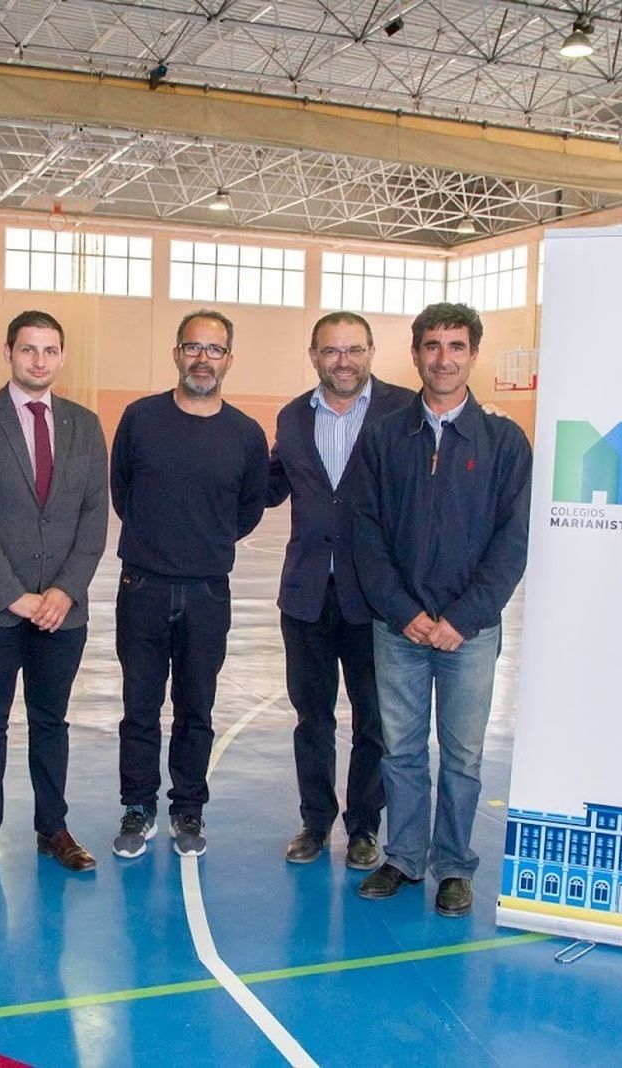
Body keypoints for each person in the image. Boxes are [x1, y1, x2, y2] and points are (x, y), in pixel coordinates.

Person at [352, 302, 531, 917]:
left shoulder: (504, 441)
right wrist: (402, 611)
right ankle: (402, 858)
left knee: (462, 756)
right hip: (398, 627)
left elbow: (513, 542)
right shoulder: (383, 438)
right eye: (432, 346)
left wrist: (464, 618)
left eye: (456, 346)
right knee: (400, 751)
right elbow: (365, 533)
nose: (443, 358)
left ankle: (453, 866)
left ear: (474, 354)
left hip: (470, 634)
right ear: (416, 353)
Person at [0, 310, 109, 877]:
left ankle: (53, 828)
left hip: (62, 610)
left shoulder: (86, 425)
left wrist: (64, 591)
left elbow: (93, 518)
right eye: (28, 349)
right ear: (8, 353)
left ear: (62, 357)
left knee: (51, 720)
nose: (39, 360)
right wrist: (15, 595)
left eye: (50, 350)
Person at [110, 309, 268, 858]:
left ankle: (188, 810)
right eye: (193, 347)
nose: (203, 359)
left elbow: (249, 509)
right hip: (143, 586)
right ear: (177, 354)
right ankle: (137, 807)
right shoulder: (140, 418)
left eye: (215, 349)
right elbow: (121, 490)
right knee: (139, 706)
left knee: (196, 707)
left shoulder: (246, 434)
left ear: (229, 359)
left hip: (207, 592)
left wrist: (207, 540)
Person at [268, 312, 412, 869]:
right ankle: (314, 821)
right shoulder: (292, 415)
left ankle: (364, 828)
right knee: (312, 717)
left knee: (374, 720)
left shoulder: (404, 409)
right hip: (306, 593)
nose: (343, 361)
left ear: (371, 351)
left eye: (353, 349)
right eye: (331, 351)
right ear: (313, 355)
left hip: (375, 596)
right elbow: (274, 482)